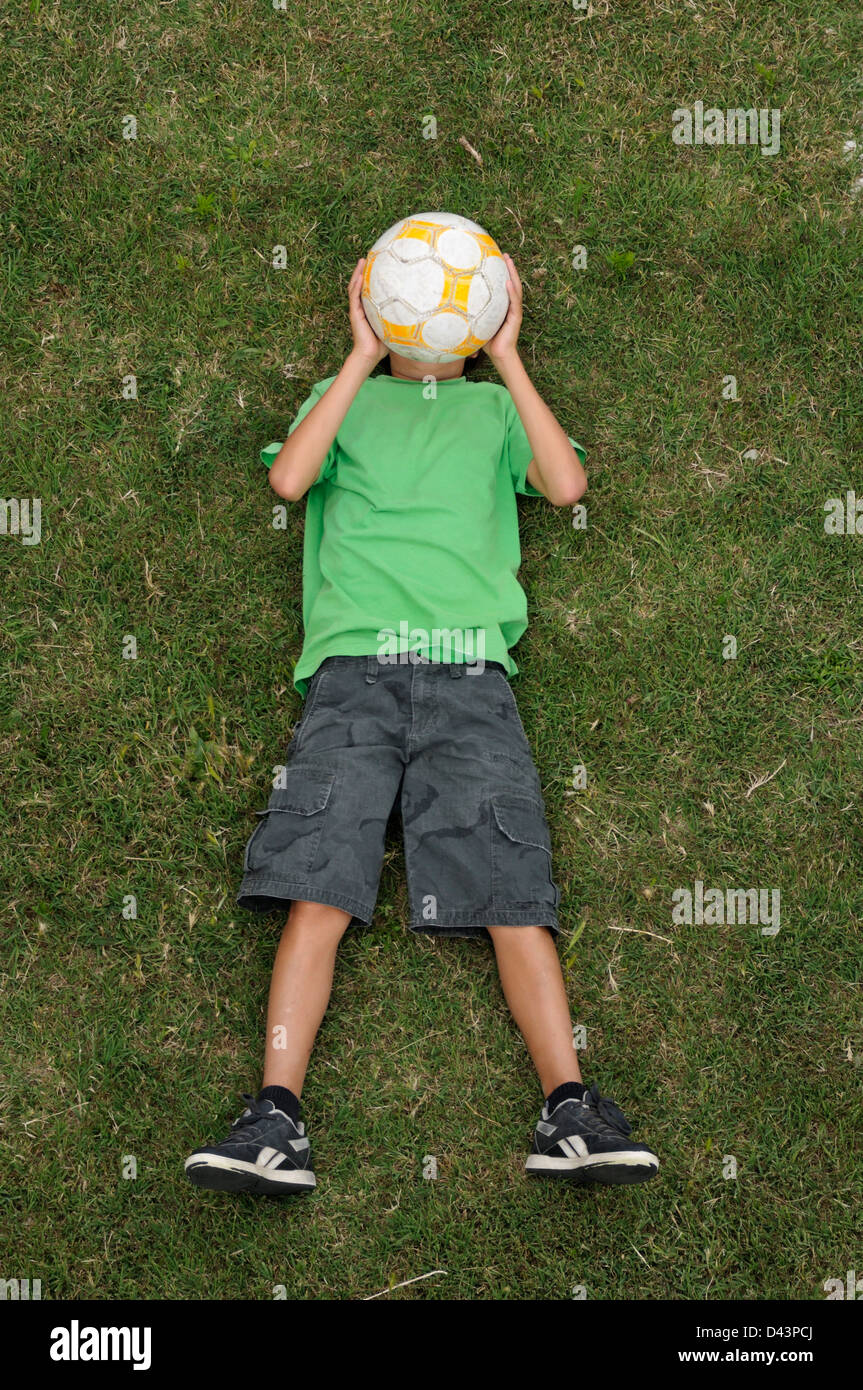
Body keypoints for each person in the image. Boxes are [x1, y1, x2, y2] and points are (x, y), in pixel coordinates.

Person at [185, 250, 659, 1195]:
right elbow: (290, 481)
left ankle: (568, 1108)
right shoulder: (342, 394)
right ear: (373, 306)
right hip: (353, 676)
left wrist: (511, 358)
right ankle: (273, 1118)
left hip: (469, 679)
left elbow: (564, 487)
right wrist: (357, 359)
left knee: (512, 894)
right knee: (317, 884)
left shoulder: (491, 411)